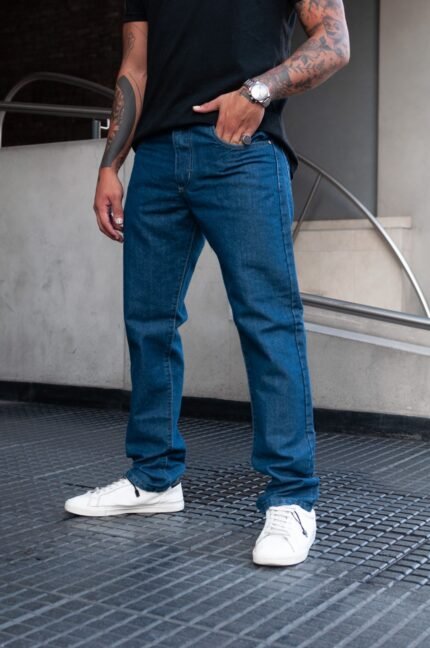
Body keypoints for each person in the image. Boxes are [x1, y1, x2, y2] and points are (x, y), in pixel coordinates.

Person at [65, 0, 350, 567]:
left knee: (267, 320)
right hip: (156, 158)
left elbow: (334, 42)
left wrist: (258, 93)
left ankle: (292, 497)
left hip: (243, 154)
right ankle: (154, 477)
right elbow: (135, 67)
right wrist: (109, 164)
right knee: (148, 321)